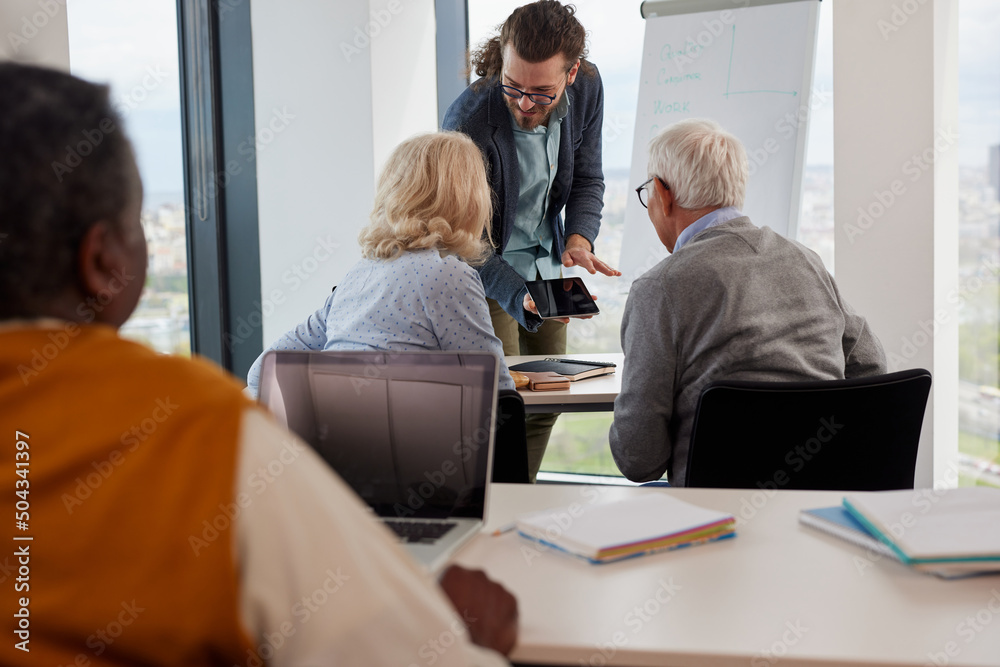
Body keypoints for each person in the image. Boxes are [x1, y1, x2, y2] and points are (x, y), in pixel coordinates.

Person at [0, 62, 516, 666]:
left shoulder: (356, 277)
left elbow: (271, 359)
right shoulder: (194, 434)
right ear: (103, 261)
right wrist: (471, 642)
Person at [609, 118, 887, 486]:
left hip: (711, 519)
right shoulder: (807, 261)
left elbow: (638, 458)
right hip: (816, 505)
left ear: (663, 194)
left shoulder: (659, 288)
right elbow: (871, 366)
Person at [443, 0, 621, 480]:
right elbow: (464, 237)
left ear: (572, 72)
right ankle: (495, 507)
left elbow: (588, 176)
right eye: (513, 86)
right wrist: (512, 291)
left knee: (547, 402)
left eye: (541, 93)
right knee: (503, 405)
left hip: (547, 270)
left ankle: (518, 494)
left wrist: (580, 238)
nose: (524, 103)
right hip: (489, 273)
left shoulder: (588, 88)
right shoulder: (469, 118)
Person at [246, 131, 515, 398]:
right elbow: (497, 388)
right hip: (423, 438)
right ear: (469, 200)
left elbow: (260, 373)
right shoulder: (451, 276)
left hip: (340, 437)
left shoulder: (358, 276)